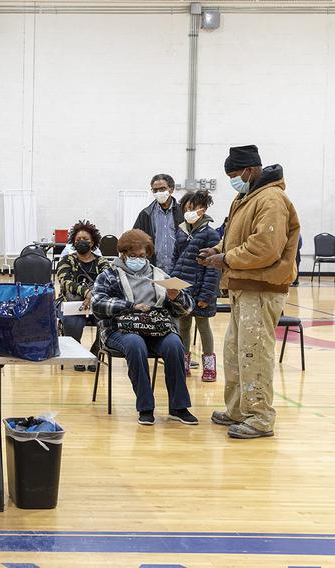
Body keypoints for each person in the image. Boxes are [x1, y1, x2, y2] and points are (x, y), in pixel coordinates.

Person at [199, 145, 300, 439]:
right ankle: (238, 410)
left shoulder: (271, 199)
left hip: (262, 288)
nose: (233, 180)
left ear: (251, 171)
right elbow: (234, 237)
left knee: (254, 353)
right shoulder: (245, 197)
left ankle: (260, 417)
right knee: (234, 351)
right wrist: (216, 250)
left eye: (234, 175)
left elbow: (264, 248)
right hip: (243, 286)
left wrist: (227, 259)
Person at [92, 229, 198, 426]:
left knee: (175, 344)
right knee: (135, 344)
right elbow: (97, 304)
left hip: (155, 328)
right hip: (120, 329)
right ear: (122, 254)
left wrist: (177, 297)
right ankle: (146, 407)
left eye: (142, 255)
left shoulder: (159, 275)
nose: (138, 259)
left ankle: (179, 407)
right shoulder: (109, 275)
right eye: (132, 255)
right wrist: (130, 306)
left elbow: (187, 308)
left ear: (148, 254)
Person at [171, 190, 221, 382]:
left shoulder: (211, 234)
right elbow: (176, 259)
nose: (188, 211)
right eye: (186, 208)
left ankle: (209, 367)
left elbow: (213, 268)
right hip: (182, 289)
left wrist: (206, 295)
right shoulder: (181, 231)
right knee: (183, 325)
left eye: (192, 208)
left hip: (201, 290)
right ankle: (183, 363)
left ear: (203, 209)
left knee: (203, 326)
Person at [55, 220, 110, 372]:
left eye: (85, 239)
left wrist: (92, 295)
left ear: (93, 243)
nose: (81, 242)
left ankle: (95, 353)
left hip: (97, 303)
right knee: (73, 322)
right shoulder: (67, 260)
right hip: (70, 303)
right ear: (73, 242)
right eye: (78, 240)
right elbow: (66, 282)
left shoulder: (102, 262)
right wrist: (86, 292)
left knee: (107, 320)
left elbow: (108, 281)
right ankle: (77, 353)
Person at [133, 174, 185, 273]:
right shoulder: (146, 214)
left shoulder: (183, 212)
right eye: (155, 190)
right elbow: (136, 239)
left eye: (162, 189)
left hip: (179, 268)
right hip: (153, 269)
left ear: (171, 189)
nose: (158, 192)